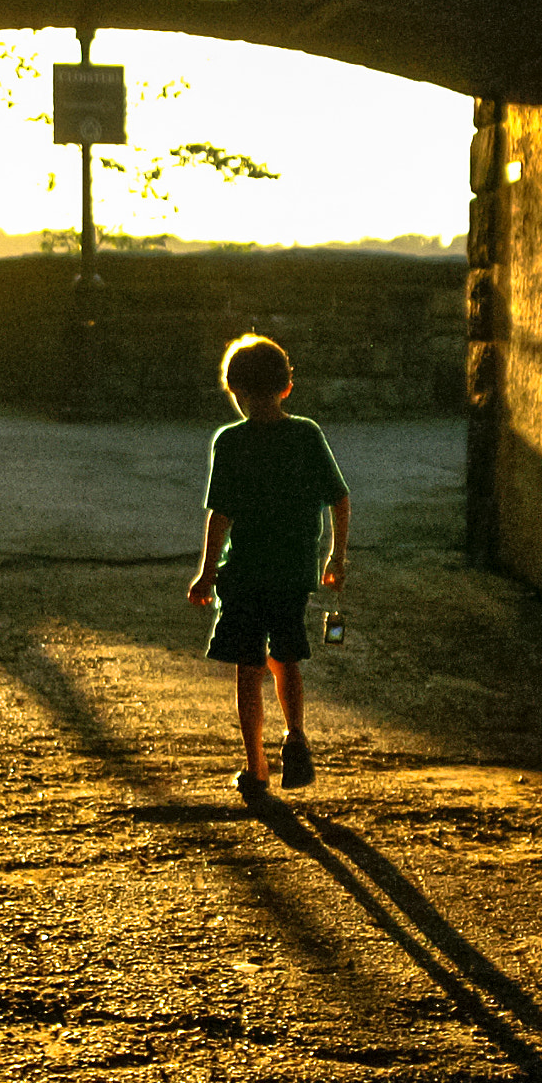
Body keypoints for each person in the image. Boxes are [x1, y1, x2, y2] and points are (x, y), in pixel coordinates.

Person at [188, 335, 350, 798]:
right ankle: (295, 735)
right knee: (286, 657)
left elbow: (221, 515)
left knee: (248, 666)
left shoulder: (232, 442)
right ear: (286, 388)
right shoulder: (307, 435)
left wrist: (207, 573)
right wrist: (336, 557)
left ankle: (256, 766)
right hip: (293, 569)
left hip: (246, 572)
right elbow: (339, 498)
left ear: (235, 391)